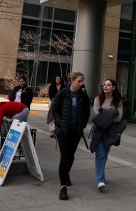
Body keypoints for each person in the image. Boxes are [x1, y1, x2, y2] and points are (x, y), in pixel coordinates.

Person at [52, 72, 91, 200]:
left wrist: (83, 124)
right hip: (63, 131)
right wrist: (58, 122)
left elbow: (86, 111)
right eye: (79, 81)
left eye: (82, 81)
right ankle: (63, 187)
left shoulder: (82, 95)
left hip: (76, 131)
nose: (81, 84)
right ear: (72, 80)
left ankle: (66, 173)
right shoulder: (62, 93)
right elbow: (55, 109)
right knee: (65, 156)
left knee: (71, 156)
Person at [90, 79, 125, 192]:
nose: (105, 86)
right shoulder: (98, 99)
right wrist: (112, 112)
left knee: (105, 154)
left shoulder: (117, 100)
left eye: (108, 85)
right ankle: (100, 180)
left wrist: (105, 114)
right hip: (98, 131)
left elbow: (119, 117)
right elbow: (97, 116)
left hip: (110, 132)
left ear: (113, 87)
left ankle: (102, 176)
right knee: (100, 154)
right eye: (104, 85)